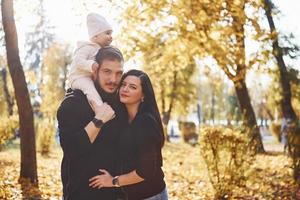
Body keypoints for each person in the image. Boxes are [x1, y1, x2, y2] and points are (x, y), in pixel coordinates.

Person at [57, 46, 124, 200]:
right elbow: (72, 150)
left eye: (118, 73)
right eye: (107, 71)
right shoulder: (73, 103)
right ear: (94, 71)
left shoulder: (120, 103)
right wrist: (98, 120)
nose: (113, 79)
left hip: (115, 193)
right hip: (81, 193)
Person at [89, 69, 168, 200]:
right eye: (123, 84)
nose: (125, 89)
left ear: (143, 95)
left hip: (150, 195)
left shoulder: (145, 122)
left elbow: (146, 171)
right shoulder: (123, 119)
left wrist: (113, 181)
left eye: (132, 87)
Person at [67, 12, 113, 108]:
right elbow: (78, 61)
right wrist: (90, 64)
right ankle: (100, 109)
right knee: (90, 90)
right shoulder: (87, 47)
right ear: (95, 36)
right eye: (107, 33)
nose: (111, 37)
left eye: (111, 34)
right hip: (79, 77)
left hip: (89, 76)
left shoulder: (100, 49)